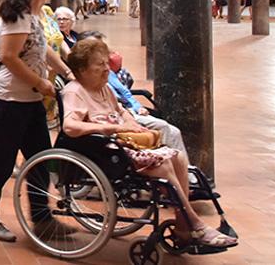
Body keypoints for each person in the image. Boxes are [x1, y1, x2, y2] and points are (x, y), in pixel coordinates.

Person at [62, 38, 237, 249]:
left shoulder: (105, 88)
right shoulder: (75, 91)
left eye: (106, 63)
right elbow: (70, 126)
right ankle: (195, 224)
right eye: (100, 64)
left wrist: (131, 124)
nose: (107, 68)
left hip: (125, 144)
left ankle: (183, 225)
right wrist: (112, 128)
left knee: (178, 157)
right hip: (105, 151)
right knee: (162, 165)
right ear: (81, 69)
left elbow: (122, 111)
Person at [0, 0, 66, 243]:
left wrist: (68, 71)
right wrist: (41, 83)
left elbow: (43, 49)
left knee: (40, 160)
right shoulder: (18, 16)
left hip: (28, 102)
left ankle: (42, 218)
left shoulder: (34, 15)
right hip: (7, 102)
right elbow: (10, 57)